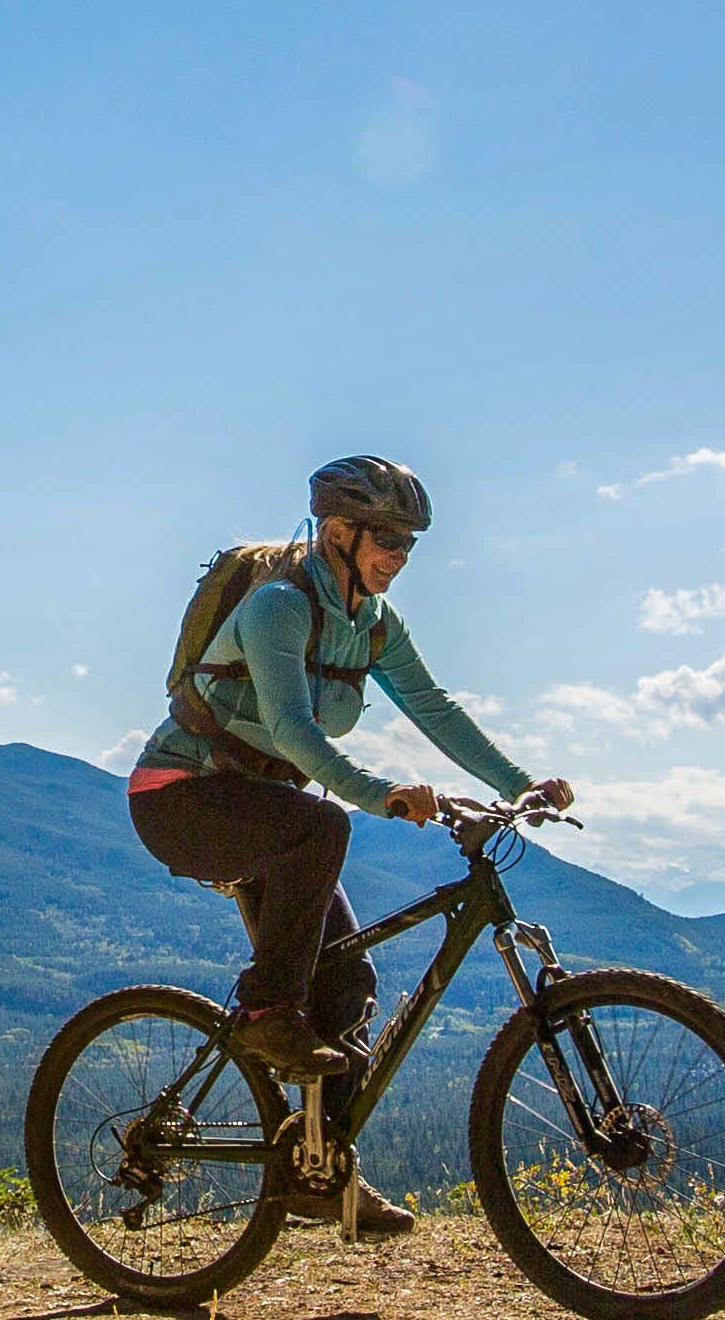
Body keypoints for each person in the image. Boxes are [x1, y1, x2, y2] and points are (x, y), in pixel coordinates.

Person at [129, 454, 573, 1238]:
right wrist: (381, 794)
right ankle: (266, 1008)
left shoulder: (371, 624)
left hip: (266, 811)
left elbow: (434, 707)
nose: (399, 557)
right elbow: (296, 732)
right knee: (323, 824)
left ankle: (321, 1170)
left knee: (347, 979)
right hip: (181, 797)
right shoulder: (276, 608)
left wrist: (522, 782)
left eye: (409, 544)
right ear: (339, 531)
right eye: (388, 539)